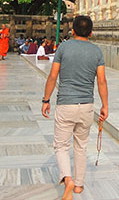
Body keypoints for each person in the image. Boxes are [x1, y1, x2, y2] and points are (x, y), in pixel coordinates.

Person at [42, 15, 108, 200]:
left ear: (72, 31)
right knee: (81, 146)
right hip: (86, 105)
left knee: (61, 146)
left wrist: (46, 99)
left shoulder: (64, 47)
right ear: (91, 33)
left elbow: (53, 76)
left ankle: (67, 178)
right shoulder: (96, 52)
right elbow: (101, 80)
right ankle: (78, 186)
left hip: (66, 104)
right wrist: (105, 105)